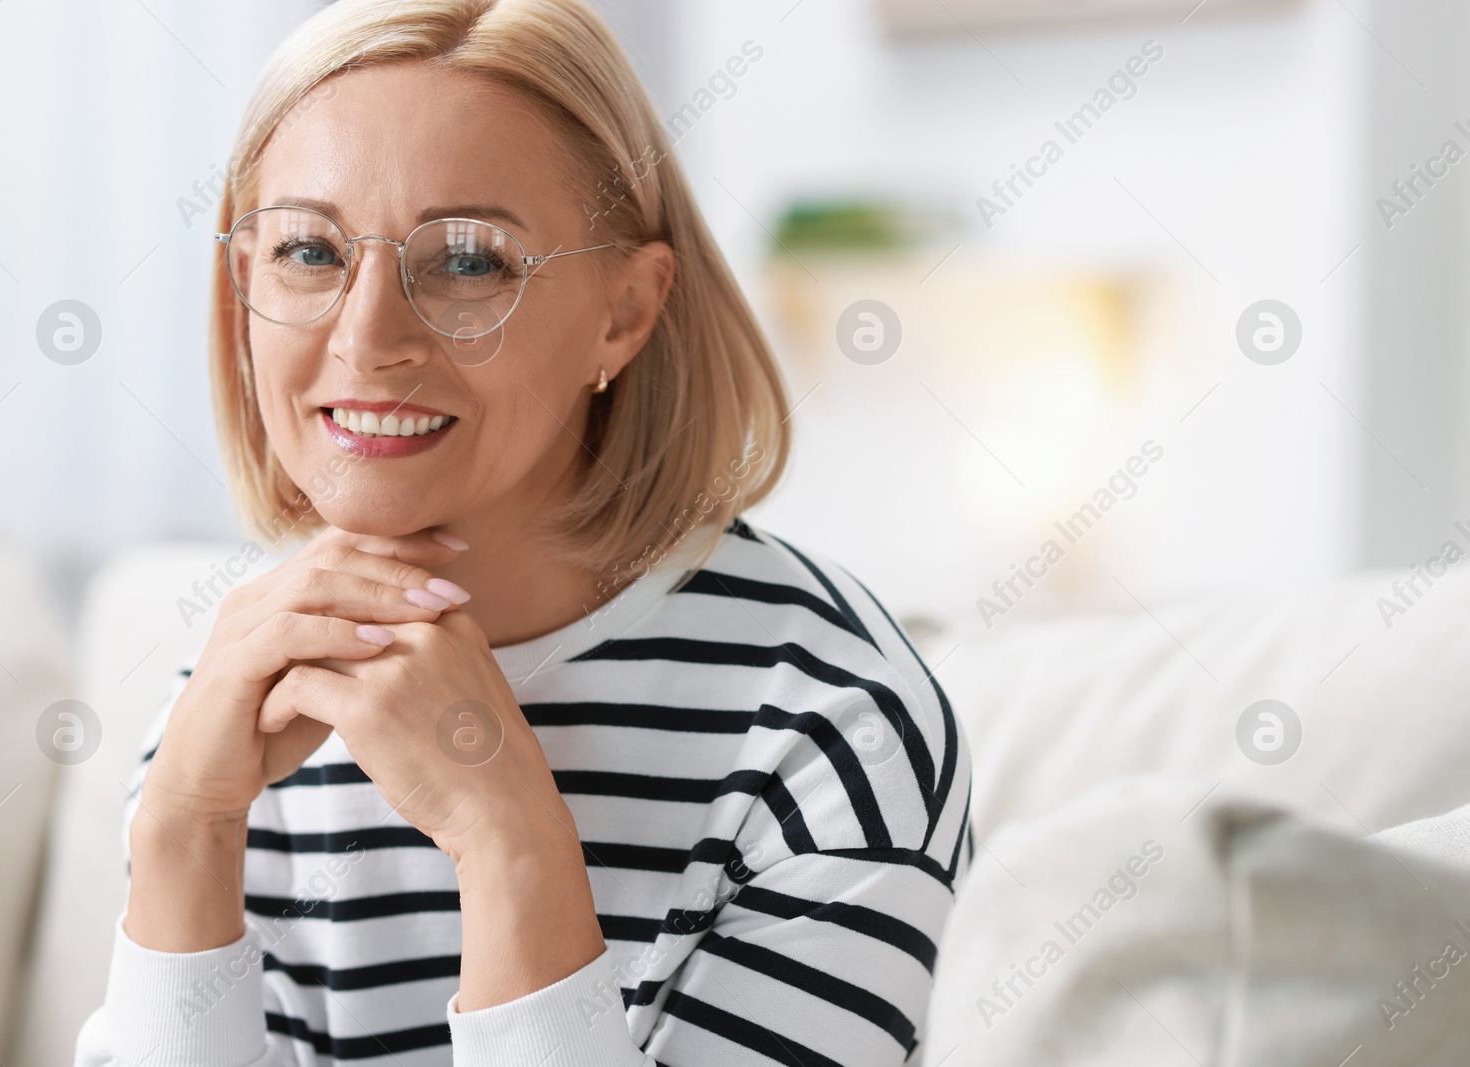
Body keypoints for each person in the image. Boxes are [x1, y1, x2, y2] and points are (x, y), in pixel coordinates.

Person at [74, 1, 972, 1063]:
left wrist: (509, 846)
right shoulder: (233, 692)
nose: (366, 339)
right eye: (309, 250)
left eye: (467, 261)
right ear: (241, 285)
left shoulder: (834, 732)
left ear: (624, 312)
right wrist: (182, 828)